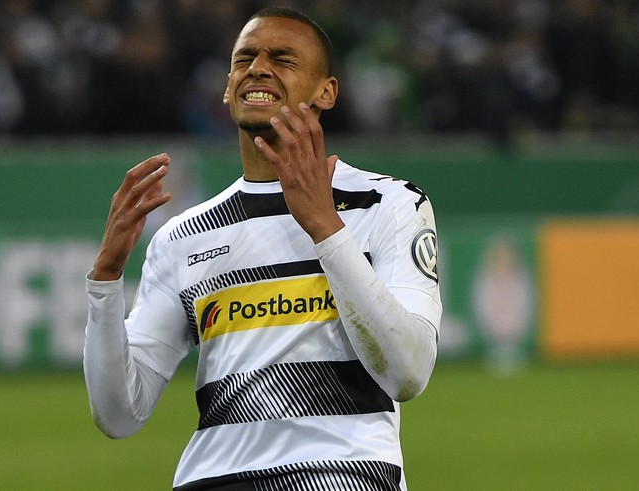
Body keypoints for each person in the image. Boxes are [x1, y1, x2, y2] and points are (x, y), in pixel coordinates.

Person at [83, 6, 441, 490]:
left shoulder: (388, 204)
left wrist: (324, 227)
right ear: (229, 88)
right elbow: (118, 413)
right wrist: (105, 280)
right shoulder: (184, 236)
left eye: (283, 59)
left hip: (344, 478)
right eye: (244, 58)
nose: (258, 68)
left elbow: (409, 372)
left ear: (326, 91)